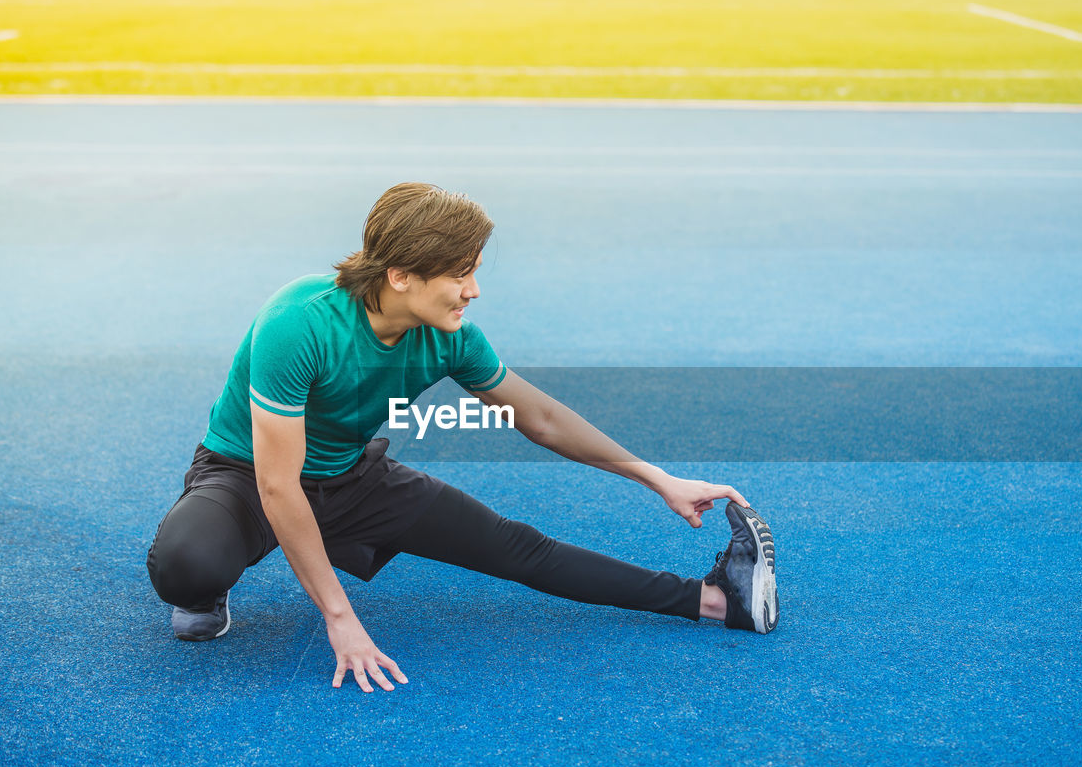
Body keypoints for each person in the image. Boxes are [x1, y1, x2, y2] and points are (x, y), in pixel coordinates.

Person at [146, 182, 778, 693]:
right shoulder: (299, 323)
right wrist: (340, 619)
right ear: (399, 275)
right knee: (186, 565)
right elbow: (278, 484)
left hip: (350, 476)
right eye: (458, 276)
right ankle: (210, 581)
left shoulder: (452, 336)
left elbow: (544, 420)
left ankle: (717, 601)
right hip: (246, 474)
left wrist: (659, 479)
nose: (473, 291)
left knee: (518, 548)